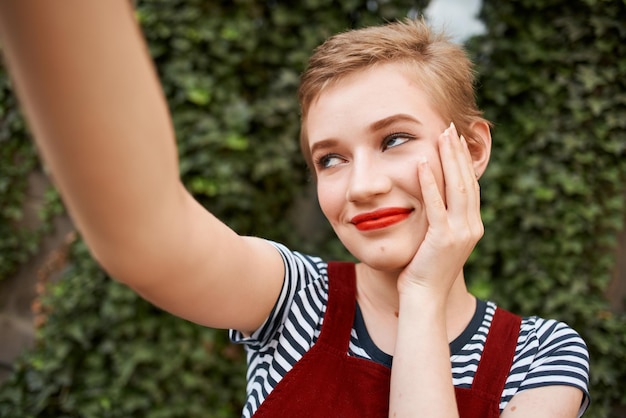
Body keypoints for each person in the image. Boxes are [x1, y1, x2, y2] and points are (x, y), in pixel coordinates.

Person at [0, 2, 589, 417]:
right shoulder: (293, 300)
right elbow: (146, 236)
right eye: (330, 159)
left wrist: (424, 293)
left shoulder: (542, 355)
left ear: (474, 147)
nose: (360, 186)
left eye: (393, 139)